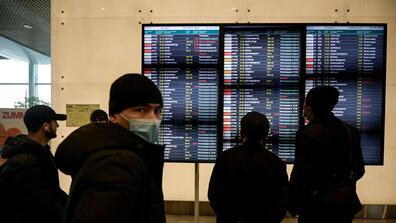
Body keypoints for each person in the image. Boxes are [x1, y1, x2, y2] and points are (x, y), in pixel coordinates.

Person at [55, 73, 166, 223]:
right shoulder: (117, 164)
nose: (153, 119)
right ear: (114, 115)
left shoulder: (114, 152)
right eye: (140, 110)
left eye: (157, 111)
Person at [288, 86, 365, 223]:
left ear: (310, 107)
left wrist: (292, 204)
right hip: (344, 204)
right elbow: (359, 169)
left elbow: (301, 175)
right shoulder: (350, 130)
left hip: (316, 207)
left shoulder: (307, 134)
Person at [208, 111, 288, 223]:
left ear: (241, 133)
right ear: (266, 135)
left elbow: (214, 193)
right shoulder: (276, 163)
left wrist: (227, 217)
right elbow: (281, 201)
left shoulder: (226, 157)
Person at [0, 105, 68, 223]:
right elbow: (41, 205)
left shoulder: (40, 154)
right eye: (55, 122)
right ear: (46, 126)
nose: (57, 125)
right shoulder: (27, 162)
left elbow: (53, 190)